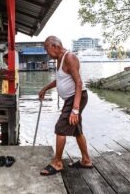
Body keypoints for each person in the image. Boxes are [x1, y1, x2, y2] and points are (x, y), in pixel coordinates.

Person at [39, 36, 92, 176]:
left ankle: (57, 163)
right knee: (76, 130)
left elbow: (79, 83)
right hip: (71, 99)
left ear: (55, 46)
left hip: (76, 98)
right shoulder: (59, 60)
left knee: (60, 128)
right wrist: (45, 88)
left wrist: (75, 109)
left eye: (47, 49)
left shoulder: (70, 57)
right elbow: (60, 80)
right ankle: (86, 160)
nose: (47, 53)